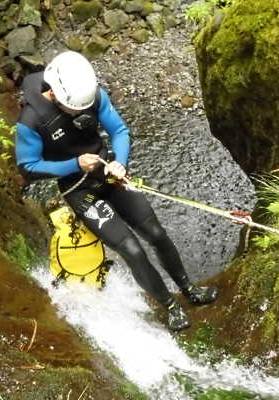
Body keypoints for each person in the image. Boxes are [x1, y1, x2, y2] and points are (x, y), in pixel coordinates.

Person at [14, 51, 218, 331]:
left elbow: (119, 130)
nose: (80, 112)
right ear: (54, 93)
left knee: (156, 233)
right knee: (132, 250)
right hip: (79, 190)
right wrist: (74, 164)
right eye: (74, 108)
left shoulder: (93, 95)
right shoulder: (30, 122)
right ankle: (169, 305)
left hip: (110, 175)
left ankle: (189, 288)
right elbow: (28, 167)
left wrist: (119, 163)